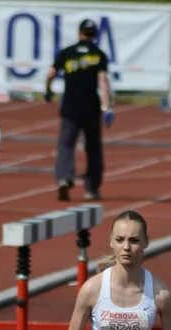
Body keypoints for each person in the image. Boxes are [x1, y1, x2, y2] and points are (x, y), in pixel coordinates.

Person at [45, 19, 114, 202]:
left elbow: (51, 74)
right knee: (93, 147)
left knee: (66, 145)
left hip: (70, 107)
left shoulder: (67, 53)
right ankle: (91, 188)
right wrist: (107, 107)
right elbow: (103, 82)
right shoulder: (98, 55)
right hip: (90, 107)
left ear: (79, 32)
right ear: (95, 35)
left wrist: (48, 91)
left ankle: (64, 179)